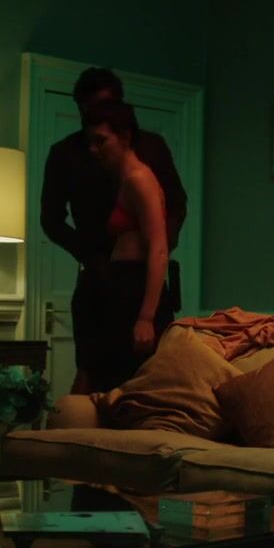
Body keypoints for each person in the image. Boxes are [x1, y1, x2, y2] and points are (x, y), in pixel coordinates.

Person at [40, 67, 186, 394]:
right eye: (90, 109)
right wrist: (91, 257)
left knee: (140, 379)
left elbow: (176, 206)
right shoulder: (67, 153)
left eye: (106, 106)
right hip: (96, 275)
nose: (97, 116)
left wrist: (153, 254)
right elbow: (51, 220)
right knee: (91, 376)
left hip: (137, 278)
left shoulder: (149, 150)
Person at [75, 99, 173, 391]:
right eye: (90, 142)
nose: (94, 149)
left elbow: (159, 249)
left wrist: (146, 317)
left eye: (101, 141)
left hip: (135, 289)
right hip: (119, 288)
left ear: (125, 137)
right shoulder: (123, 179)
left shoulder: (139, 178)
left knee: (126, 384)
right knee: (102, 381)